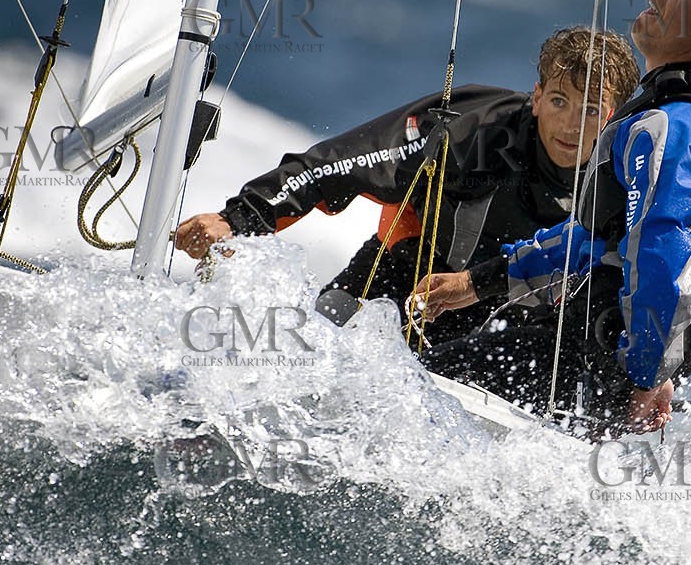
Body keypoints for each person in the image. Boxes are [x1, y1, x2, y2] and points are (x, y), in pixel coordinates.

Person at [411, 0, 691, 433]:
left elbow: (664, 258)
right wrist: (478, 282)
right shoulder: (687, 116)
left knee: (407, 388)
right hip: (593, 361)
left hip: (598, 366)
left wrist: (645, 377)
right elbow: (598, 237)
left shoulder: (678, 127)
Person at [173, 26, 641, 341]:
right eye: (559, 101)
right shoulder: (472, 130)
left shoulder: (626, 173)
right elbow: (339, 164)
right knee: (314, 342)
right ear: (537, 98)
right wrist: (238, 219)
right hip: (402, 282)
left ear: (615, 118)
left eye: (592, 110)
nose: (571, 126)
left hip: (520, 325)